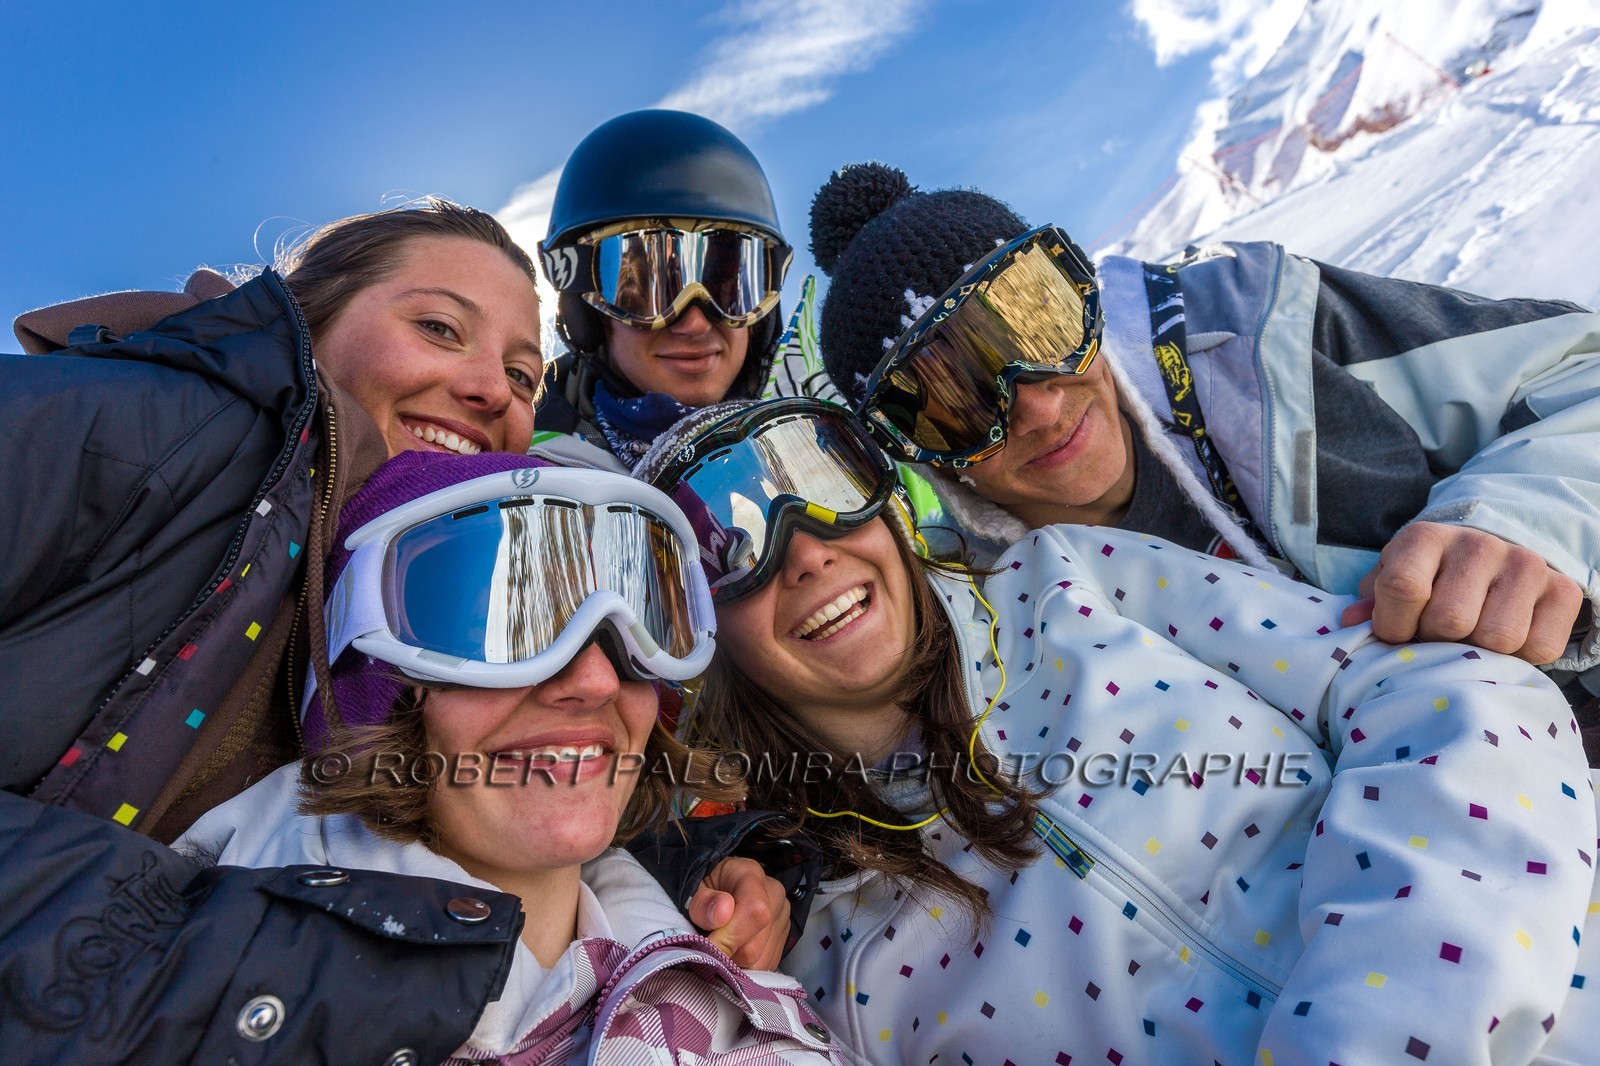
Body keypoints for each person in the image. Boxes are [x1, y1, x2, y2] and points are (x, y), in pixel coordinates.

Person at [0, 200, 774, 1060]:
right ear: (306, 320)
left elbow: (465, 808)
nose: (491, 389)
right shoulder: (150, 429)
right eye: (441, 328)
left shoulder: (371, 584)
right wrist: (226, 962)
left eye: (523, 376)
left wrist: (693, 874)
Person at [640, 396, 1600, 1065]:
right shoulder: (825, 964)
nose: (805, 545)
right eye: (729, 543)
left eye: (822, 473)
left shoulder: (1068, 586)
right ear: (695, 631)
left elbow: (1444, 693)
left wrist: (1391, 1032)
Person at [806, 162, 1600, 752]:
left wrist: (1520, 524)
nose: (1041, 408)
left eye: (1039, 326)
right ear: (923, 456)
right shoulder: (987, 640)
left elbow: (1577, 373)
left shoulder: (1258, 327)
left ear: (1080, 291)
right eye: (956, 404)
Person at [176, 450, 843, 1064]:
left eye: (631, 625)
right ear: (373, 678)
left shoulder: (735, 998)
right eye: (502, 626)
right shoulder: (178, 984)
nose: (595, 682)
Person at [532, 109, 793, 470]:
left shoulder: (835, 446)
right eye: (650, 285)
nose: (696, 324)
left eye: (730, 286)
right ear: (587, 311)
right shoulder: (515, 468)